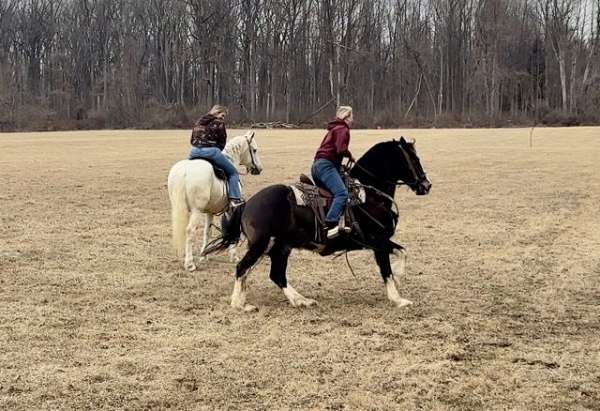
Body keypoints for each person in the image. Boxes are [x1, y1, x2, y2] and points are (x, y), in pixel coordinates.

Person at [311, 106, 355, 239]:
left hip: (317, 166)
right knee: (342, 193)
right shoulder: (343, 129)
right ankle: (330, 225)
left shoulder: (334, 128)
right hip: (326, 166)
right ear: (346, 117)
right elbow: (340, 149)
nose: (353, 120)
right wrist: (350, 155)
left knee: (330, 195)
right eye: (352, 117)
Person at [189, 105, 244, 208]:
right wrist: (216, 150)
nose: (223, 118)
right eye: (222, 115)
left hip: (194, 151)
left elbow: (192, 140)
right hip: (211, 152)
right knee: (233, 173)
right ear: (217, 113)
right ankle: (235, 199)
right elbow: (222, 142)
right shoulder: (219, 123)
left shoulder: (199, 121)